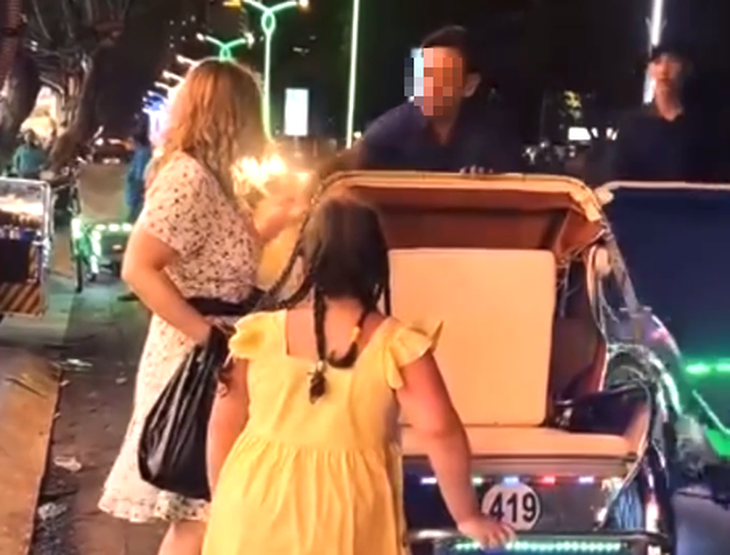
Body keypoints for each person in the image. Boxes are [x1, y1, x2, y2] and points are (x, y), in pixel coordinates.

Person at [202, 192, 514, 555]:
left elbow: (222, 425)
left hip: (251, 501)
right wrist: (467, 515)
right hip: (345, 510)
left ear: (305, 259)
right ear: (376, 262)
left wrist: (224, 499)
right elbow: (440, 432)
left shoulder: (258, 334)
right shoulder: (397, 346)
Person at [98, 58, 301, 555]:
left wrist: (265, 228)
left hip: (214, 357)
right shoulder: (188, 177)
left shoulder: (212, 178)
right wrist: (207, 336)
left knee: (210, 512)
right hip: (194, 363)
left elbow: (216, 257)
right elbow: (138, 267)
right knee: (202, 515)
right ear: (233, 113)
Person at [347, 25, 522, 173]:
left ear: (469, 85)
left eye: (440, 76)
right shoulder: (389, 133)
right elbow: (349, 173)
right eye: (423, 75)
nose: (427, 86)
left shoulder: (494, 134)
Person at [609, 41, 716, 182]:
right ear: (649, 69)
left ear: (686, 68)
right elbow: (618, 176)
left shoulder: (703, 127)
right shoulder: (632, 124)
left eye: (672, 61)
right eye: (657, 62)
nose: (664, 70)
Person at [126, 122, 153, 223]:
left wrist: (135, 202)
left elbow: (139, 179)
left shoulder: (142, 154)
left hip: (137, 203)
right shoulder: (141, 152)